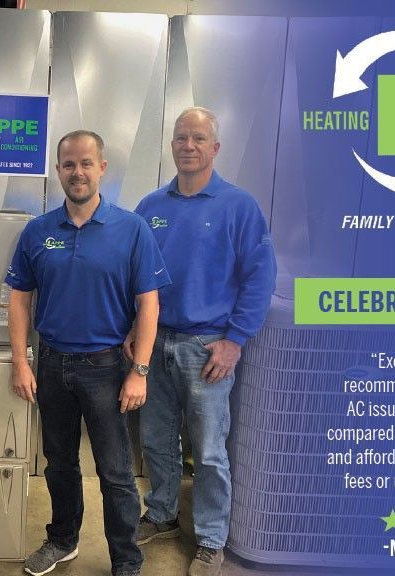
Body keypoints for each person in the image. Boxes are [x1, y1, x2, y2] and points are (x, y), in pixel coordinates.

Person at [6, 130, 169, 576]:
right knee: (59, 463)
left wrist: (139, 370)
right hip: (52, 363)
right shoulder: (38, 231)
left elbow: (148, 302)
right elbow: (20, 297)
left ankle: (126, 560)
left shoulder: (131, 229)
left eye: (86, 163)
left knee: (116, 472)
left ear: (101, 168)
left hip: (106, 368)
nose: (77, 172)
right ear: (58, 170)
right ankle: (62, 540)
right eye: (68, 164)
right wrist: (21, 361)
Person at [132, 107, 276, 576]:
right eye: (180, 138)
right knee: (156, 440)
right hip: (155, 345)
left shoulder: (238, 207)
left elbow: (259, 278)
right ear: (171, 145)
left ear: (214, 148)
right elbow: (133, 276)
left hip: (208, 350)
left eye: (198, 138)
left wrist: (234, 341)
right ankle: (162, 514)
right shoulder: (151, 208)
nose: (188, 146)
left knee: (210, 451)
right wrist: (134, 332)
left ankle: (212, 539)